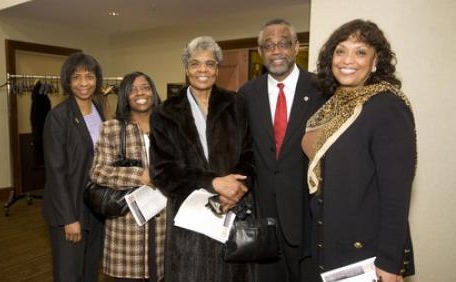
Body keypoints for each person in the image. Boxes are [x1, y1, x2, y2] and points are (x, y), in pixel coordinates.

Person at [302, 19, 416, 282]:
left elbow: (396, 196)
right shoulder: (331, 106)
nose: (347, 59)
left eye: (360, 51)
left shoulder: (387, 106)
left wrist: (389, 263)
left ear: (376, 61)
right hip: (326, 240)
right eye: (340, 50)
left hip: (363, 251)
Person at [149, 36, 255, 282]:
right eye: (195, 64)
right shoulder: (166, 112)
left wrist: (236, 189)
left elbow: (250, 154)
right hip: (189, 217)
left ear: (217, 69)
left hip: (233, 209)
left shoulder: (235, 103)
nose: (202, 70)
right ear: (186, 69)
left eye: (209, 64)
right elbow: (162, 172)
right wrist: (213, 183)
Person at [238, 19, 326, 281]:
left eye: (283, 44)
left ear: (297, 47)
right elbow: (242, 149)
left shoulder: (322, 89)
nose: (276, 51)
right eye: (268, 45)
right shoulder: (246, 93)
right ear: (261, 50)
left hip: (306, 213)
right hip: (262, 216)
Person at [90, 71, 166, 282]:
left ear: (153, 92)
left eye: (145, 87)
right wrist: (139, 176)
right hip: (127, 225)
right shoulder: (112, 128)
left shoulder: (169, 126)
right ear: (124, 96)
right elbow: (98, 171)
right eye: (132, 89)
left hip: (164, 223)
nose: (140, 93)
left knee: (162, 274)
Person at [42, 52, 105, 282]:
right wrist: (69, 218)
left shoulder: (99, 110)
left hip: (95, 208)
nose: (84, 83)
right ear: (67, 81)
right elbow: (55, 173)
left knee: (90, 272)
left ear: (97, 79)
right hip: (69, 209)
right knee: (69, 274)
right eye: (76, 77)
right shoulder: (58, 117)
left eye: (89, 76)